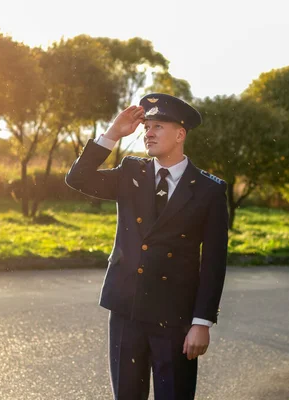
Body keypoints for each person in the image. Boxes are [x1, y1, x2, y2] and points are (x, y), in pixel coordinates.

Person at [65, 93, 229, 400]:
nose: (148, 133)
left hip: (175, 316)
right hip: (126, 309)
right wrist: (113, 133)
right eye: (146, 126)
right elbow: (78, 178)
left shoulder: (209, 189)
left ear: (180, 134)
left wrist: (201, 322)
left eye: (158, 126)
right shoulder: (131, 173)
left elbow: (214, 261)